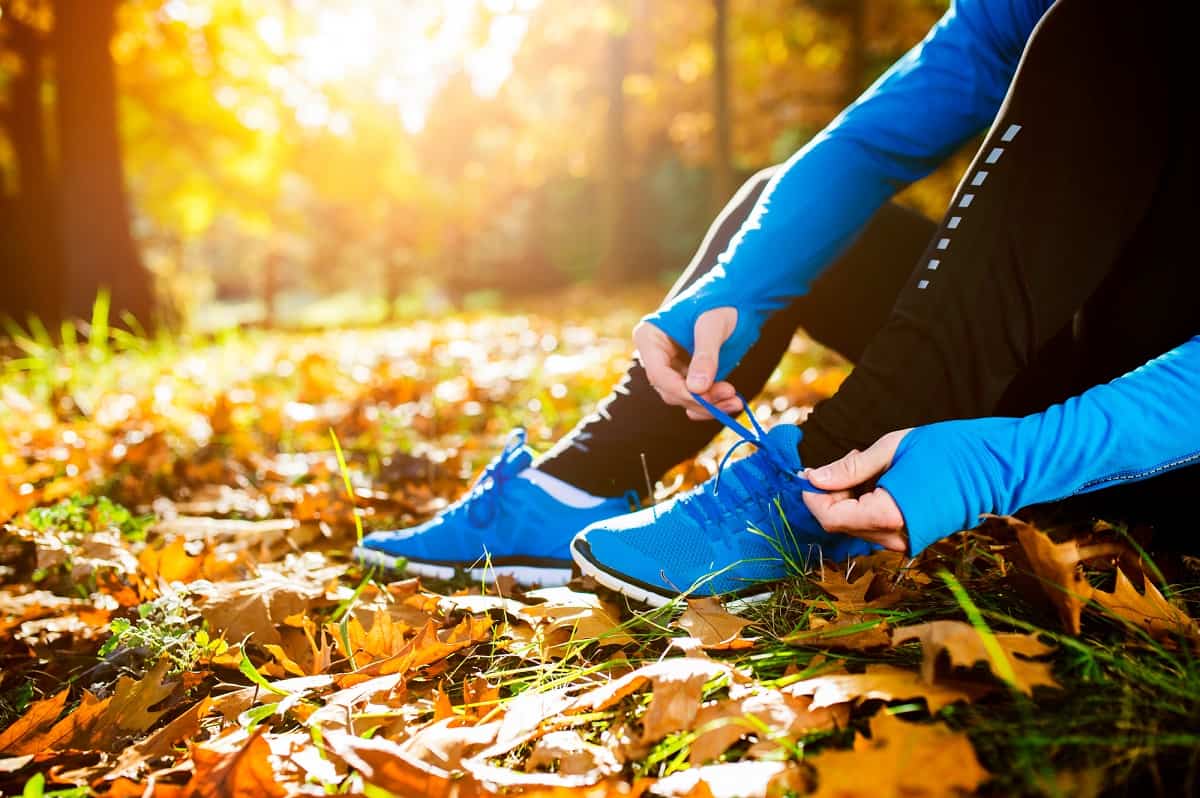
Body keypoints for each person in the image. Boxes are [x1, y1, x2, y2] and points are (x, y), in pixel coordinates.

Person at [357, 0, 1200, 607]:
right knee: (794, 212)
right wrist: (732, 292)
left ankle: (818, 491)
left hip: (1168, 451)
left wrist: (1019, 456)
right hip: (1069, 374)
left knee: (1120, 28)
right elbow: (872, 142)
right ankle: (568, 493)